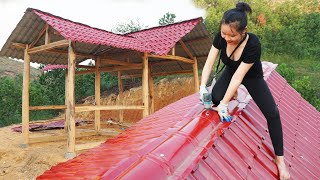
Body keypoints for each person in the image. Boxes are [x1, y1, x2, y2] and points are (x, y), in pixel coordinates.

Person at [199, 2, 290, 180]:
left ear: (244, 31)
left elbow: (239, 77)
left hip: (251, 77)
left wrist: (225, 105)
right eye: (224, 33)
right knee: (215, 98)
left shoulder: (253, 44)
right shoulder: (221, 36)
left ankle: (280, 160)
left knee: (273, 113)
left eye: (232, 35)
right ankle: (230, 93)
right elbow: (209, 62)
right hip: (231, 70)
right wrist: (203, 87)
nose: (226, 38)